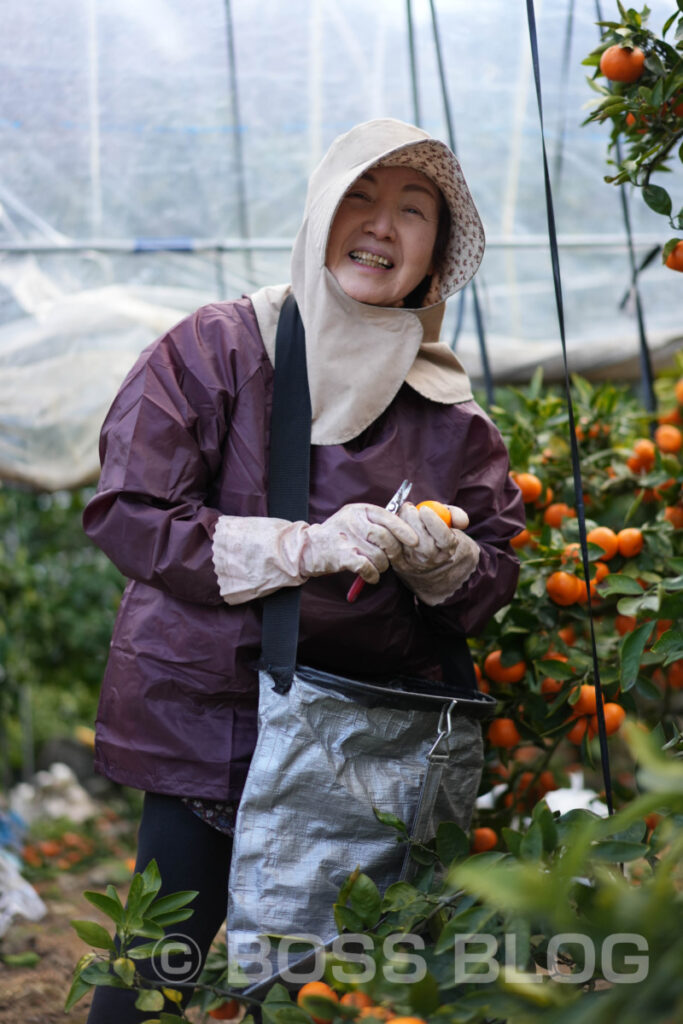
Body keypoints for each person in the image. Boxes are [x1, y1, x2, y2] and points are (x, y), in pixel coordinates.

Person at [83, 118, 525, 1022]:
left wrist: (447, 561)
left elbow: (491, 577)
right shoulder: (220, 349)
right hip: (215, 725)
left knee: (327, 992)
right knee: (151, 977)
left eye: (413, 212)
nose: (382, 225)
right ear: (320, 216)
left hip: (360, 749)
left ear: (435, 255)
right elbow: (132, 512)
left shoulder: (449, 410)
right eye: (359, 198)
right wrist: (308, 544)